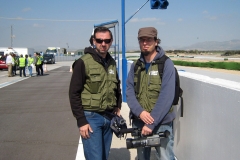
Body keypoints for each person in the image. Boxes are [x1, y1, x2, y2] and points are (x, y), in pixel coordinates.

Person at [69, 26, 122, 160]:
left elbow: (116, 86)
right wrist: (81, 121)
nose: (103, 44)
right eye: (99, 40)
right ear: (93, 41)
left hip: (109, 117)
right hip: (91, 118)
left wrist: (118, 105)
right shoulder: (83, 62)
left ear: (111, 41)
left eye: (106, 40)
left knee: (103, 157)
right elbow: (73, 93)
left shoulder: (111, 62)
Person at [126, 27, 176, 160]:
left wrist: (150, 123)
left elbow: (167, 96)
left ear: (156, 42)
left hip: (162, 123)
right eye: (142, 40)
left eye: (149, 39)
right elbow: (129, 91)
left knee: (165, 157)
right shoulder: (135, 65)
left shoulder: (166, 64)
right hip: (139, 121)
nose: (145, 43)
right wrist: (140, 112)